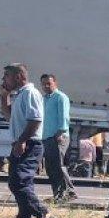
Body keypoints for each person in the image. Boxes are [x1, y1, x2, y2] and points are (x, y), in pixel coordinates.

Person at [0, 64, 54, 218]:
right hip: (21, 143)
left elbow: (36, 120)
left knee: (18, 182)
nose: (3, 79)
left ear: (18, 76)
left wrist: (22, 141)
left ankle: (43, 212)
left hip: (29, 144)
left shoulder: (30, 93)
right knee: (22, 183)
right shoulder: (20, 95)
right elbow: (8, 115)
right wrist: (4, 96)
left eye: (6, 75)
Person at [39, 74, 77, 202]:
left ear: (55, 83)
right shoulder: (44, 99)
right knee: (50, 167)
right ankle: (58, 194)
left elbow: (64, 117)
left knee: (58, 165)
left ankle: (67, 193)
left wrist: (60, 132)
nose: (46, 86)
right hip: (47, 136)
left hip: (58, 136)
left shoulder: (60, 97)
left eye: (48, 83)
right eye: (43, 84)